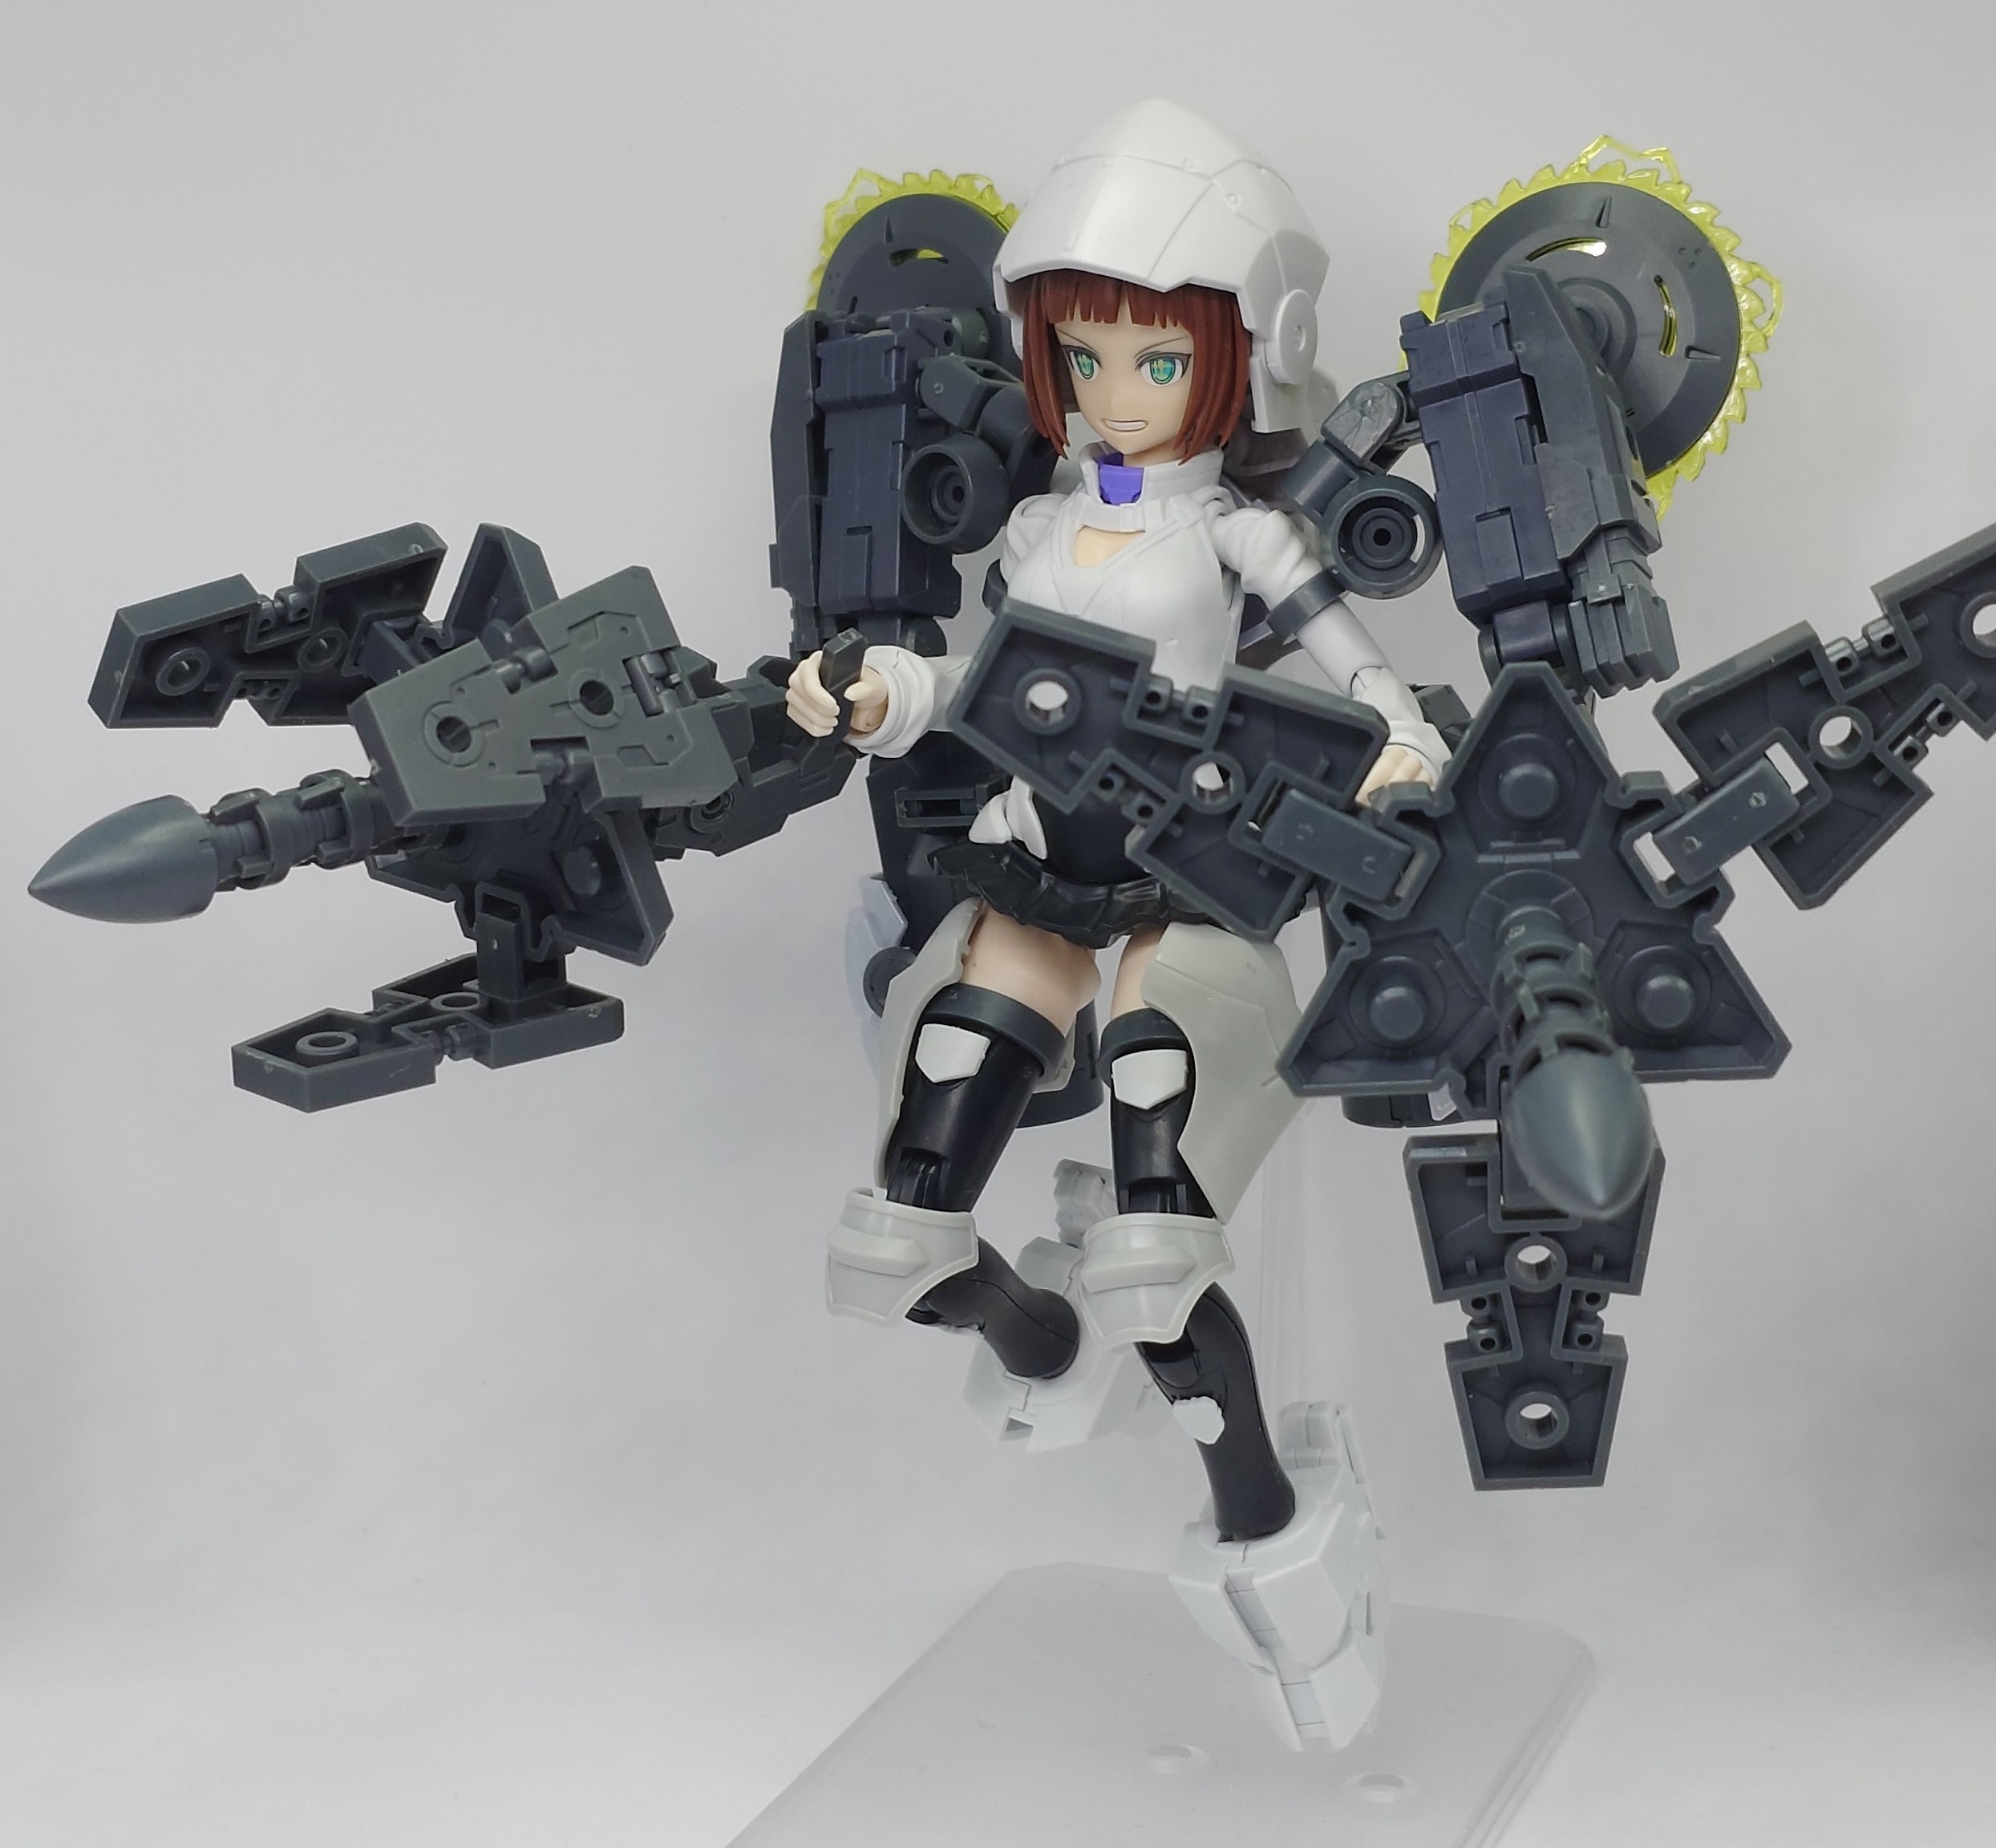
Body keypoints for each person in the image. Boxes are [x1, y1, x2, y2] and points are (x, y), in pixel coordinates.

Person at [786, 99, 1447, 1748]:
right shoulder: (1035, 525)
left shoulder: (1238, 528)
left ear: (1240, 361)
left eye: (1154, 359)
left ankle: (1271, 1537)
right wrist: (875, 694)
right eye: (1083, 357)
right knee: (904, 1220)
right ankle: (1032, 1332)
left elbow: (1356, 664)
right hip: (1040, 855)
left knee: (1157, 1225)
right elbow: (977, 679)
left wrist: (1402, 743)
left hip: (1187, 864)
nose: (1114, 391)